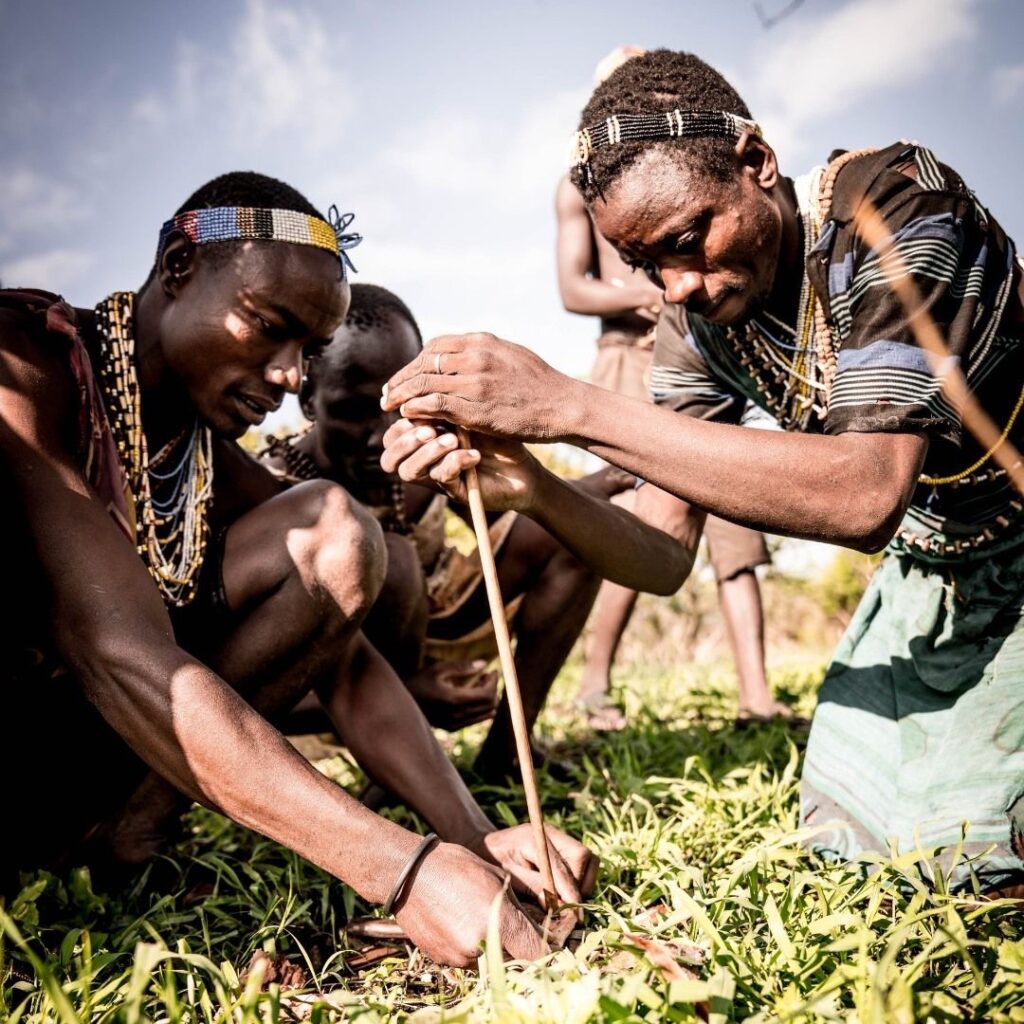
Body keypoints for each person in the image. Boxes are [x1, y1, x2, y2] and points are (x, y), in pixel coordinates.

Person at [380, 50, 1024, 891]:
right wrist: (536, 487)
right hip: (937, 574)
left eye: (688, 242)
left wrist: (568, 406)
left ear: (756, 163)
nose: (675, 285)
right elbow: (663, 550)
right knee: (858, 834)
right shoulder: (696, 322)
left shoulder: (893, 207)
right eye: (648, 266)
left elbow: (866, 493)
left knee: (970, 851)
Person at [0, 171, 597, 967]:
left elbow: (344, 661)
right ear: (179, 268)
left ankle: (129, 835)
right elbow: (118, 650)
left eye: (308, 351)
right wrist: (403, 870)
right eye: (268, 325)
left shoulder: (201, 456)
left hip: (86, 768)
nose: (290, 377)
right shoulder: (25, 364)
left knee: (336, 534)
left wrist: (477, 837)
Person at [262, 282, 626, 780]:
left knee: (566, 538)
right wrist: (410, 691)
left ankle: (508, 752)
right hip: (333, 670)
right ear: (308, 398)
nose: (377, 434)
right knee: (391, 560)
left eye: (396, 405)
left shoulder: (422, 452)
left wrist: (589, 488)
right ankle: (396, 771)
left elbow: (513, 518)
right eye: (351, 411)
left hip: (440, 616)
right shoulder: (270, 490)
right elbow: (247, 679)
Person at [556, 45, 778, 730]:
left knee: (735, 517)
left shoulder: (686, 166)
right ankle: (594, 684)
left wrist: (683, 296)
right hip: (629, 359)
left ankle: (757, 696)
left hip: (707, 345)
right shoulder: (581, 188)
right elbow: (572, 288)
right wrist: (647, 297)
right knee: (641, 512)